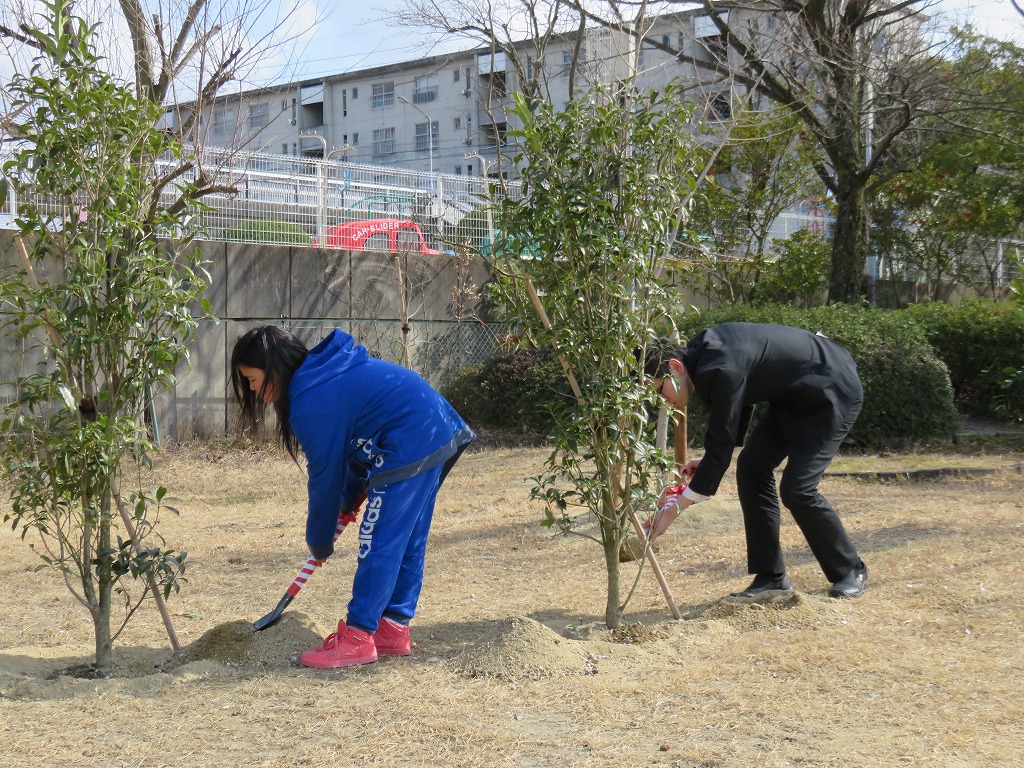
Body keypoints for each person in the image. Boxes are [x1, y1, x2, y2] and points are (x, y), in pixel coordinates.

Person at [231, 325, 475, 668]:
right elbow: (357, 449)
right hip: (433, 426)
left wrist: (319, 540)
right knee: (404, 539)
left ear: (273, 366)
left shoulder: (310, 399)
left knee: (380, 539)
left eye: (252, 379)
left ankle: (359, 637)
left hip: (411, 435)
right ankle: (392, 628)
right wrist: (347, 503)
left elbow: (325, 476)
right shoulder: (321, 381)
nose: (253, 390)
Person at [644, 322, 868, 600]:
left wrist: (673, 509)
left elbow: (723, 433)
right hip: (793, 396)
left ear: (675, 367)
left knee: (798, 490)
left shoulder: (717, 368)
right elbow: (740, 397)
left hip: (831, 389)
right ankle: (771, 578)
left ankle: (850, 570)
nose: (662, 400)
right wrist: (712, 458)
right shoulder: (707, 357)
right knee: (751, 467)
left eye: (659, 389)